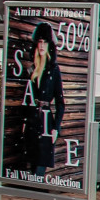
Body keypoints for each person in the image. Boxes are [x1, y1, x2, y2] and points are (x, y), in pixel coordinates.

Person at [20, 21, 65, 177]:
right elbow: (28, 99)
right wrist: (25, 122)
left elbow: (60, 103)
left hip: (46, 122)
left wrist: (56, 128)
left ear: (49, 45)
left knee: (41, 164)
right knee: (32, 163)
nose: (41, 46)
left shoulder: (54, 70)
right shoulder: (33, 70)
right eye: (39, 42)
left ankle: (38, 192)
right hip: (33, 121)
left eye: (44, 43)